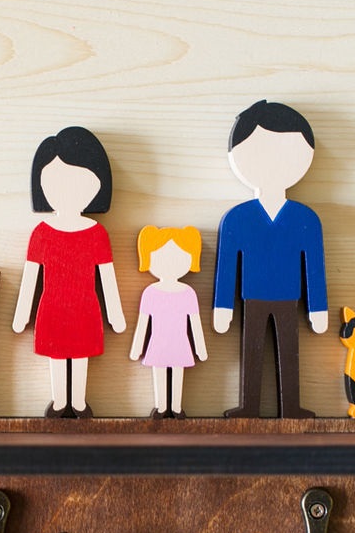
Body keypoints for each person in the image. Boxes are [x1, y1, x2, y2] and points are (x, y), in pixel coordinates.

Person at [211, 101, 328, 418]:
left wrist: (318, 309)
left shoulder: (306, 219)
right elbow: (226, 266)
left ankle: (291, 407)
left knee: (289, 352)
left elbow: (314, 267)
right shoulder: (238, 218)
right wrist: (223, 307)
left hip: (290, 298)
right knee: (251, 352)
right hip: (252, 298)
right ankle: (248, 407)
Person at [11, 127, 126, 418]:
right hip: (53, 306)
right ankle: (60, 400)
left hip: (85, 307)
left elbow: (107, 278)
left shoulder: (97, 234)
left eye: (79, 181)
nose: (67, 191)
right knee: (58, 354)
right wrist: (22, 313)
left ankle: (78, 401)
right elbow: (30, 277)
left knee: (81, 354)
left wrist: (115, 314)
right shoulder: (41, 233)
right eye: (55, 182)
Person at [129, 225, 207, 418]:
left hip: (180, 342)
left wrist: (201, 348)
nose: (170, 263)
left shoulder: (189, 293)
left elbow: (195, 323)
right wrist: (137, 347)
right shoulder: (150, 293)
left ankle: (177, 407)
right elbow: (143, 323)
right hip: (158, 342)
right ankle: (162, 406)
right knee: (160, 373)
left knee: (178, 374)